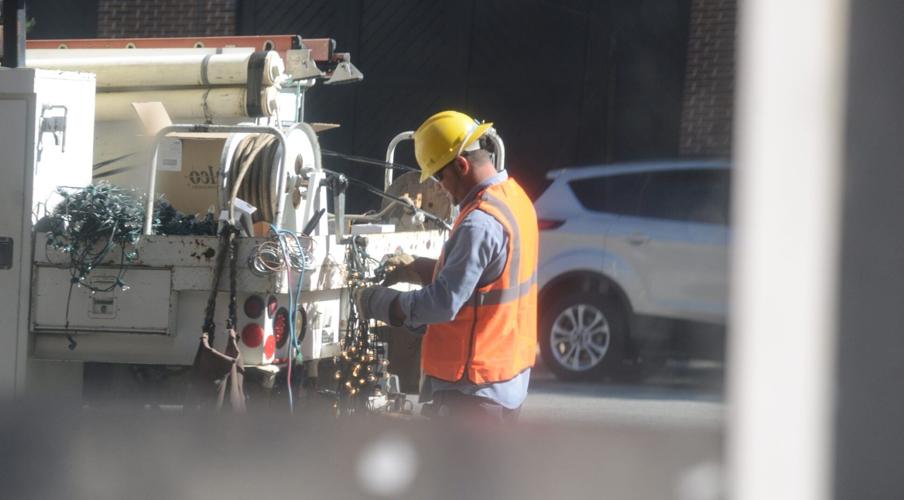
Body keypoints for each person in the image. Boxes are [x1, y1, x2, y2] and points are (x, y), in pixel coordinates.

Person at [354, 110, 539, 423]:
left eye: (440, 176)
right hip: (506, 379)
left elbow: (443, 304)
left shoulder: (479, 223)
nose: (440, 188)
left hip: (473, 392)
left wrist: (378, 303)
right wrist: (418, 267)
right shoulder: (515, 200)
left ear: (462, 165)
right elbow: (484, 283)